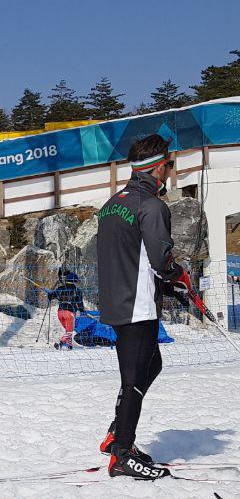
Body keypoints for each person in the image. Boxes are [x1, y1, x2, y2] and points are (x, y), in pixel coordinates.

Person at [96, 134, 190, 479]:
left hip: (117, 299)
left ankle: (116, 434)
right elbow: (160, 261)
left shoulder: (112, 203)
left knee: (152, 365)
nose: (170, 171)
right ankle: (121, 453)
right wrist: (179, 275)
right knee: (134, 378)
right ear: (156, 167)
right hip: (136, 304)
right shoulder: (151, 206)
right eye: (169, 164)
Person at [45, 268, 85, 349]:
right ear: (75, 281)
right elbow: (80, 304)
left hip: (60, 313)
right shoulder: (78, 291)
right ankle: (60, 343)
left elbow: (51, 296)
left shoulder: (60, 288)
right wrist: (82, 311)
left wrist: (49, 293)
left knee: (67, 330)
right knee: (70, 331)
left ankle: (69, 346)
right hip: (69, 313)